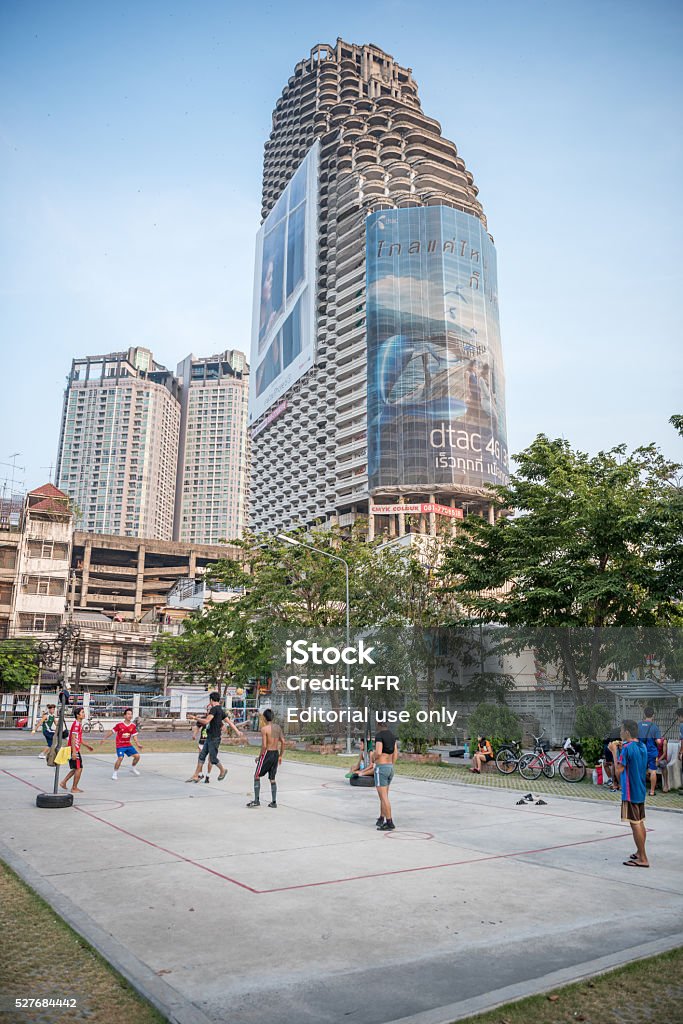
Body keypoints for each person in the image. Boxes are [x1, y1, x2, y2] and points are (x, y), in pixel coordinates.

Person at [609, 719, 648, 868]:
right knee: (640, 821)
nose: (620, 733)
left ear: (626, 732)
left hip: (630, 791)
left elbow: (618, 772)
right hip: (640, 789)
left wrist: (614, 752)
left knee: (635, 824)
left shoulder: (626, 749)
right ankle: (640, 852)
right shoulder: (641, 745)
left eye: (621, 730)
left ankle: (643, 858)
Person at [186, 692, 242, 784]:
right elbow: (230, 722)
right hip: (210, 737)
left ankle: (223, 770)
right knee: (202, 756)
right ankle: (196, 775)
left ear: (211, 700)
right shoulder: (220, 710)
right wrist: (237, 731)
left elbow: (206, 721)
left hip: (214, 738)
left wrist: (195, 718)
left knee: (213, 759)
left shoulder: (214, 709)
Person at [247, 709, 285, 808]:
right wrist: (280, 755)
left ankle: (256, 800)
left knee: (256, 775)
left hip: (267, 753)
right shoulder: (277, 728)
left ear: (264, 717)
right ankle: (274, 802)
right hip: (275, 754)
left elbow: (264, 746)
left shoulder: (264, 729)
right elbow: (283, 742)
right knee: (272, 778)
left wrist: (259, 757)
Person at [100, 707, 143, 780]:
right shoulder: (119, 725)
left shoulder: (133, 726)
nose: (130, 716)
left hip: (128, 745)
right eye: (128, 714)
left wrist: (138, 744)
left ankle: (133, 768)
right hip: (120, 745)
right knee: (120, 758)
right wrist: (104, 738)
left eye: (131, 714)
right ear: (125, 716)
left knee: (137, 756)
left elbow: (134, 736)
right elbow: (112, 731)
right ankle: (115, 773)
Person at [59, 707, 94, 794]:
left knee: (76, 768)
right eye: (82, 712)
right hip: (73, 749)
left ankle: (63, 782)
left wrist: (87, 746)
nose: (84, 714)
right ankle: (74, 788)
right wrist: (74, 752)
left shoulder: (79, 724)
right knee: (79, 768)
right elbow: (73, 739)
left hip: (74, 749)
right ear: (78, 715)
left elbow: (79, 739)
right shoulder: (76, 724)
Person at [373, 723, 399, 831]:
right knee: (384, 796)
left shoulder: (379, 736)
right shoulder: (392, 736)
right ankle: (381, 818)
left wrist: (373, 758)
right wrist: (391, 764)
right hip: (390, 767)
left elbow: (378, 752)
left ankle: (389, 822)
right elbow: (395, 754)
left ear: (378, 724)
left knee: (383, 797)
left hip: (381, 768)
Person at [637, 707, 662, 797]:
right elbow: (658, 742)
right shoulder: (655, 727)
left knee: (640, 771)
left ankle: (640, 790)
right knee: (653, 771)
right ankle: (651, 791)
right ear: (653, 715)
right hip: (651, 753)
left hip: (641, 752)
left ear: (644, 714)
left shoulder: (639, 725)